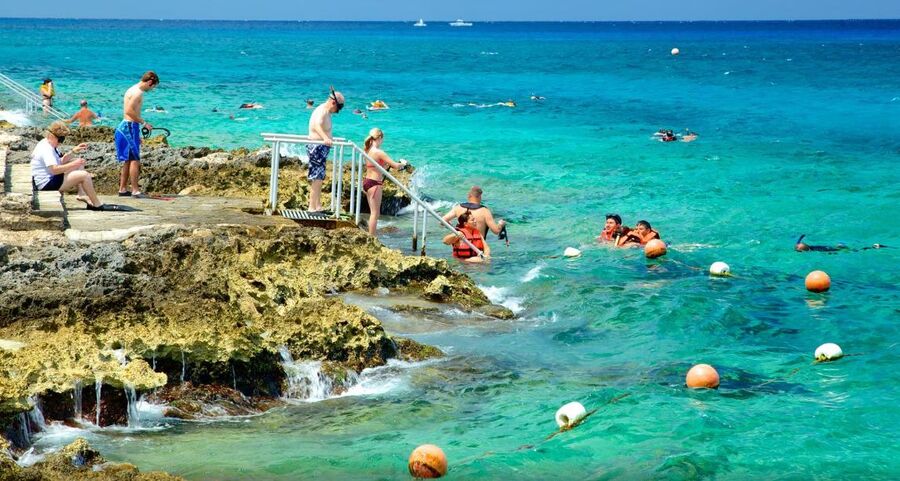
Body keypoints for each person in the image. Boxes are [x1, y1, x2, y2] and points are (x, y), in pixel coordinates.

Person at [30, 121, 105, 210]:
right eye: (60, 139)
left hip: (51, 177)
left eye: (63, 139)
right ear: (51, 136)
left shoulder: (48, 143)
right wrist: (73, 164)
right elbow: (54, 170)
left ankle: (81, 194)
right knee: (85, 176)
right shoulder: (47, 149)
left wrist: (73, 151)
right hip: (46, 184)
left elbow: (59, 161)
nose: (61, 143)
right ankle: (97, 205)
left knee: (79, 164)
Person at [116, 71, 159, 198]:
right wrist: (144, 123)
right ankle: (135, 190)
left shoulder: (132, 89)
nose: (152, 89)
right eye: (153, 87)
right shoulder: (138, 92)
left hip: (128, 127)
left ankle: (122, 189)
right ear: (150, 82)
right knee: (135, 159)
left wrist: (136, 134)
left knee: (128, 160)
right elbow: (129, 111)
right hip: (129, 126)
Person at [362, 128, 408, 236]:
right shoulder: (379, 152)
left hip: (367, 182)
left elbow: (376, 166)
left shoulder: (367, 150)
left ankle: (371, 235)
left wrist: (385, 165)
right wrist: (403, 164)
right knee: (375, 214)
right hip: (375, 184)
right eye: (382, 139)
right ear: (380, 138)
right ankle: (372, 237)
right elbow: (395, 166)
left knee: (373, 212)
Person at [306, 87, 344, 212]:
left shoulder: (326, 111)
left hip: (320, 148)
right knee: (317, 177)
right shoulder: (322, 111)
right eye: (339, 108)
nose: (337, 111)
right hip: (317, 147)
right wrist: (325, 138)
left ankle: (317, 205)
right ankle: (312, 207)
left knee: (320, 177)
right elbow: (317, 125)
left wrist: (327, 139)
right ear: (334, 103)